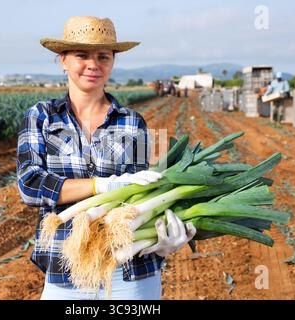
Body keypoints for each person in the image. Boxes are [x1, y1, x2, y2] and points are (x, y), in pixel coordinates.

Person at [17, 16, 196, 300]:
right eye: (81, 55)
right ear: (63, 60)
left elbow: (139, 193)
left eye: (103, 56)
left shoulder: (131, 122)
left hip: (128, 270)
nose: (93, 64)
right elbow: (30, 184)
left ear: (112, 61)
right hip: (66, 268)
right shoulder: (42, 116)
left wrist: (159, 241)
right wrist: (101, 186)